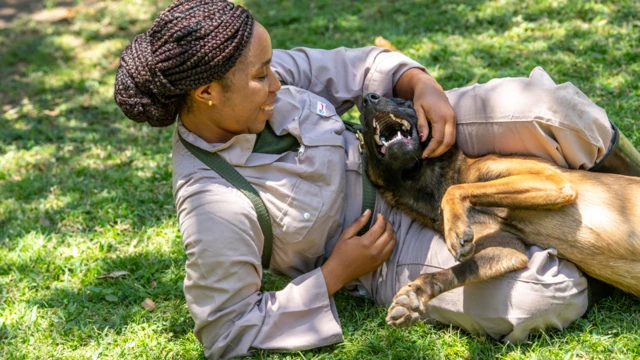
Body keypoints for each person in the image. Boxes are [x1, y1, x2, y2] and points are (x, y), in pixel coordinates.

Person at [113, 1, 640, 359]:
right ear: (206, 93)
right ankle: (590, 241)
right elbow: (224, 330)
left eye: (272, 65)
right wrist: (337, 274)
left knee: (562, 113)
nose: (279, 80)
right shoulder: (213, 206)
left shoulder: (258, 72)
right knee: (547, 294)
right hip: (384, 244)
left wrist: (421, 83)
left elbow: (365, 66)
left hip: (420, 142)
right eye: (261, 77)